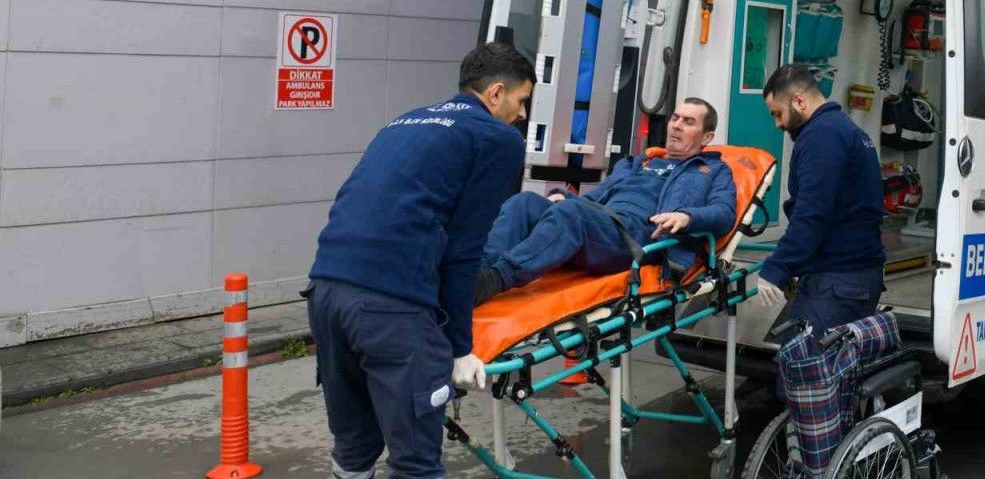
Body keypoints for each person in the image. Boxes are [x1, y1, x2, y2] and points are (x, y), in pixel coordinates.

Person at [304, 43, 534, 479]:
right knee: (416, 463)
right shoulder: (497, 138)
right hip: (391, 308)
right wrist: (460, 348)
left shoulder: (404, 121)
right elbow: (464, 249)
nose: (522, 114)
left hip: (327, 290)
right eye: (522, 101)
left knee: (354, 446)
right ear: (496, 93)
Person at [473, 98, 738, 305]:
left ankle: (497, 278)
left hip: (639, 236)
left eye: (688, 122)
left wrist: (687, 217)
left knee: (571, 212)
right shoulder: (639, 162)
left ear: (706, 137)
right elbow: (594, 198)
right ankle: (474, 276)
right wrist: (564, 197)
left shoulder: (713, 170)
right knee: (525, 202)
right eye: (675, 118)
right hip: (603, 221)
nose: (677, 125)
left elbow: (724, 213)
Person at [754, 64, 886, 334]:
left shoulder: (821, 136)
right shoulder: (843, 128)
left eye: (778, 114)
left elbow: (812, 211)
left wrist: (777, 268)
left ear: (799, 101)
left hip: (838, 279)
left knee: (806, 357)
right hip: (851, 275)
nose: (777, 124)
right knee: (821, 358)